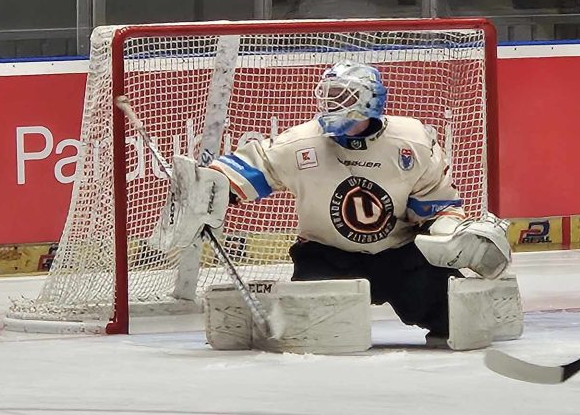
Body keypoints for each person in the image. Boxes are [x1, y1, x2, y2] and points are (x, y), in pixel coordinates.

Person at [205, 60, 512, 345]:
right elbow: (242, 173)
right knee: (314, 337)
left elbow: (435, 207)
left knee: (458, 323)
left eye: (343, 96)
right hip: (327, 258)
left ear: (370, 101)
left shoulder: (413, 141)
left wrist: (451, 235)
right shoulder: (299, 143)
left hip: (400, 256)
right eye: (329, 96)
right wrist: (206, 187)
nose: (332, 104)